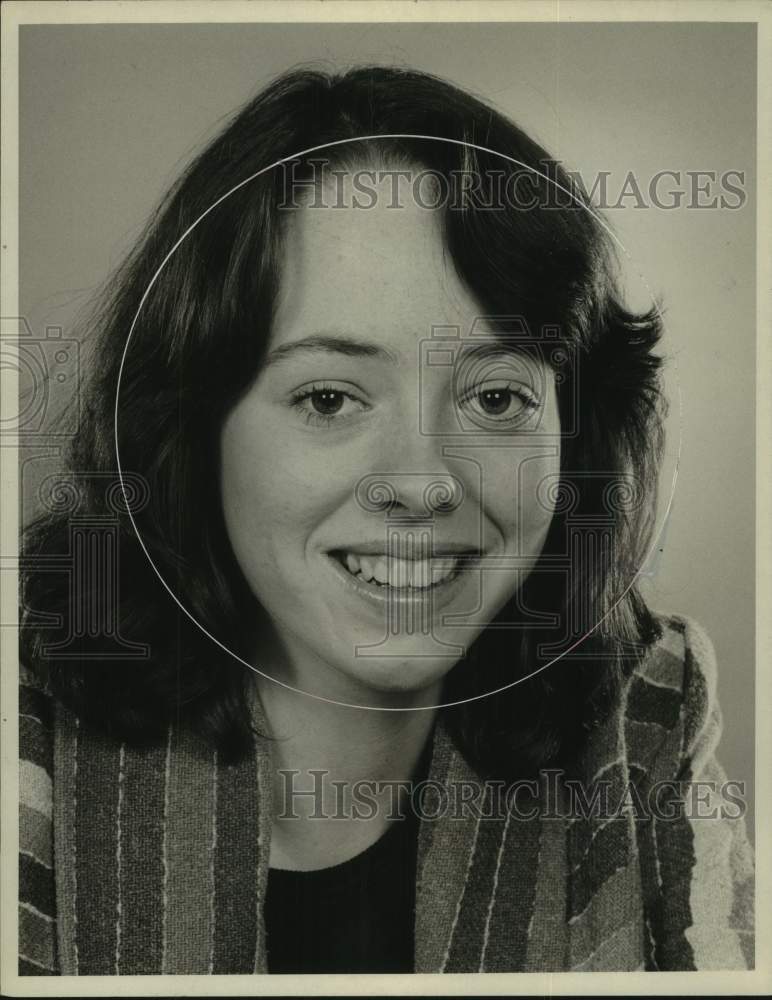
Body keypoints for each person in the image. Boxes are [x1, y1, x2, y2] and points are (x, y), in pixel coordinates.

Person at [18, 65, 754, 975]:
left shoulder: (646, 712)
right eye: (329, 398)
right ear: (190, 428)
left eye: (494, 397)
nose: (422, 481)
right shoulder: (24, 743)